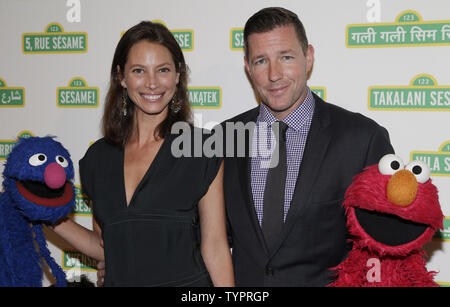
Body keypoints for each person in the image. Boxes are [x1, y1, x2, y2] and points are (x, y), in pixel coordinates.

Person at [221, 7, 394, 286]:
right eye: (261, 61)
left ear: (308, 57)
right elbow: (212, 238)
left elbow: (384, 245)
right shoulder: (223, 139)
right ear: (248, 67)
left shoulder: (362, 139)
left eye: (286, 57)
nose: (274, 74)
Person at [53, 21, 234, 287]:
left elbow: (215, 247)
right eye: (139, 71)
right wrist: (43, 214)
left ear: (177, 75)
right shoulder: (97, 159)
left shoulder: (203, 148)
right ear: (121, 77)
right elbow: (108, 248)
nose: (152, 83)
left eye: (163, 70)